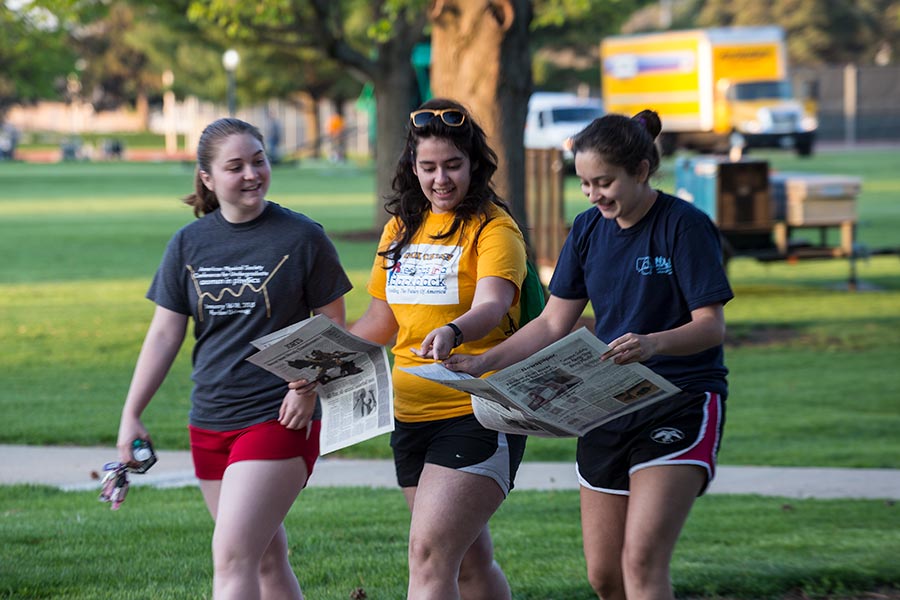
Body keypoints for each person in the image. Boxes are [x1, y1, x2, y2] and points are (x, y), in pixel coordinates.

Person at [444, 110, 734, 600]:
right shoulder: (586, 230)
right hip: (609, 404)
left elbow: (711, 326)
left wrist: (654, 343)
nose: (595, 194)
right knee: (605, 577)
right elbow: (554, 322)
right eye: (584, 183)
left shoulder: (685, 226)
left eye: (605, 182)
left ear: (641, 171)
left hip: (682, 400)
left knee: (641, 563)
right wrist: (483, 363)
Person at [115, 117, 352, 600]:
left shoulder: (302, 237)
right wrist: (131, 413)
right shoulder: (188, 243)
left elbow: (333, 329)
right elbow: (164, 335)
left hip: (278, 417)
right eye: (235, 166)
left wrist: (305, 389)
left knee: (231, 557)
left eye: (259, 160)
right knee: (264, 558)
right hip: (210, 416)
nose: (251, 174)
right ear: (207, 178)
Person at [346, 98, 528, 600]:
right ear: (411, 167)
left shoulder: (494, 229)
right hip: (410, 417)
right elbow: (381, 322)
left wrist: (454, 330)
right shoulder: (399, 229)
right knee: (469, 564)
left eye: (453, 165)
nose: (441, 179)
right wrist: (319, 357)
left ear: (475, 165)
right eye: (428, 167)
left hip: (477, 411)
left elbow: (493, 304)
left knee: (428, 559)